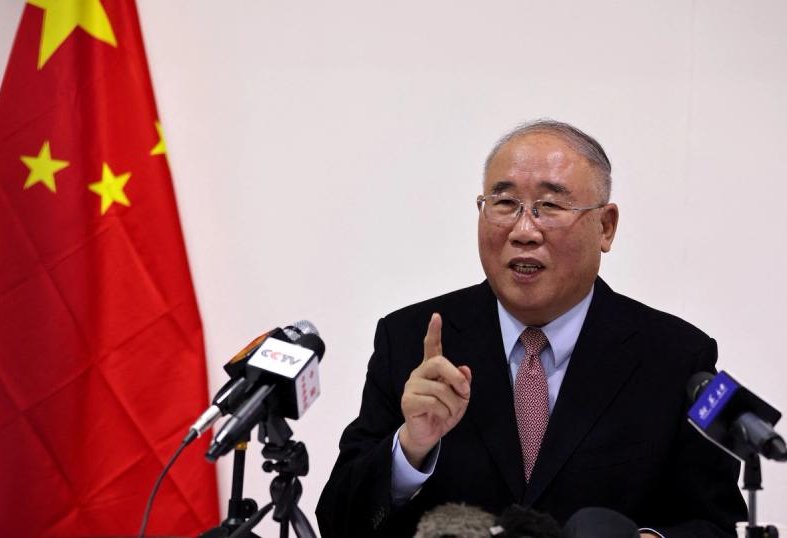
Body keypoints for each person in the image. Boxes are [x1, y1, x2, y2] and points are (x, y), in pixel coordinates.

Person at [316, 120, 747, 537]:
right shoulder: (411, 340)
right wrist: (410, 448)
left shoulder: (677, 357)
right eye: (504, 204)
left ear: (606, 226)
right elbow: (337, 523)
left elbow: (716, 525)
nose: (524, 231)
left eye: (550, 206)